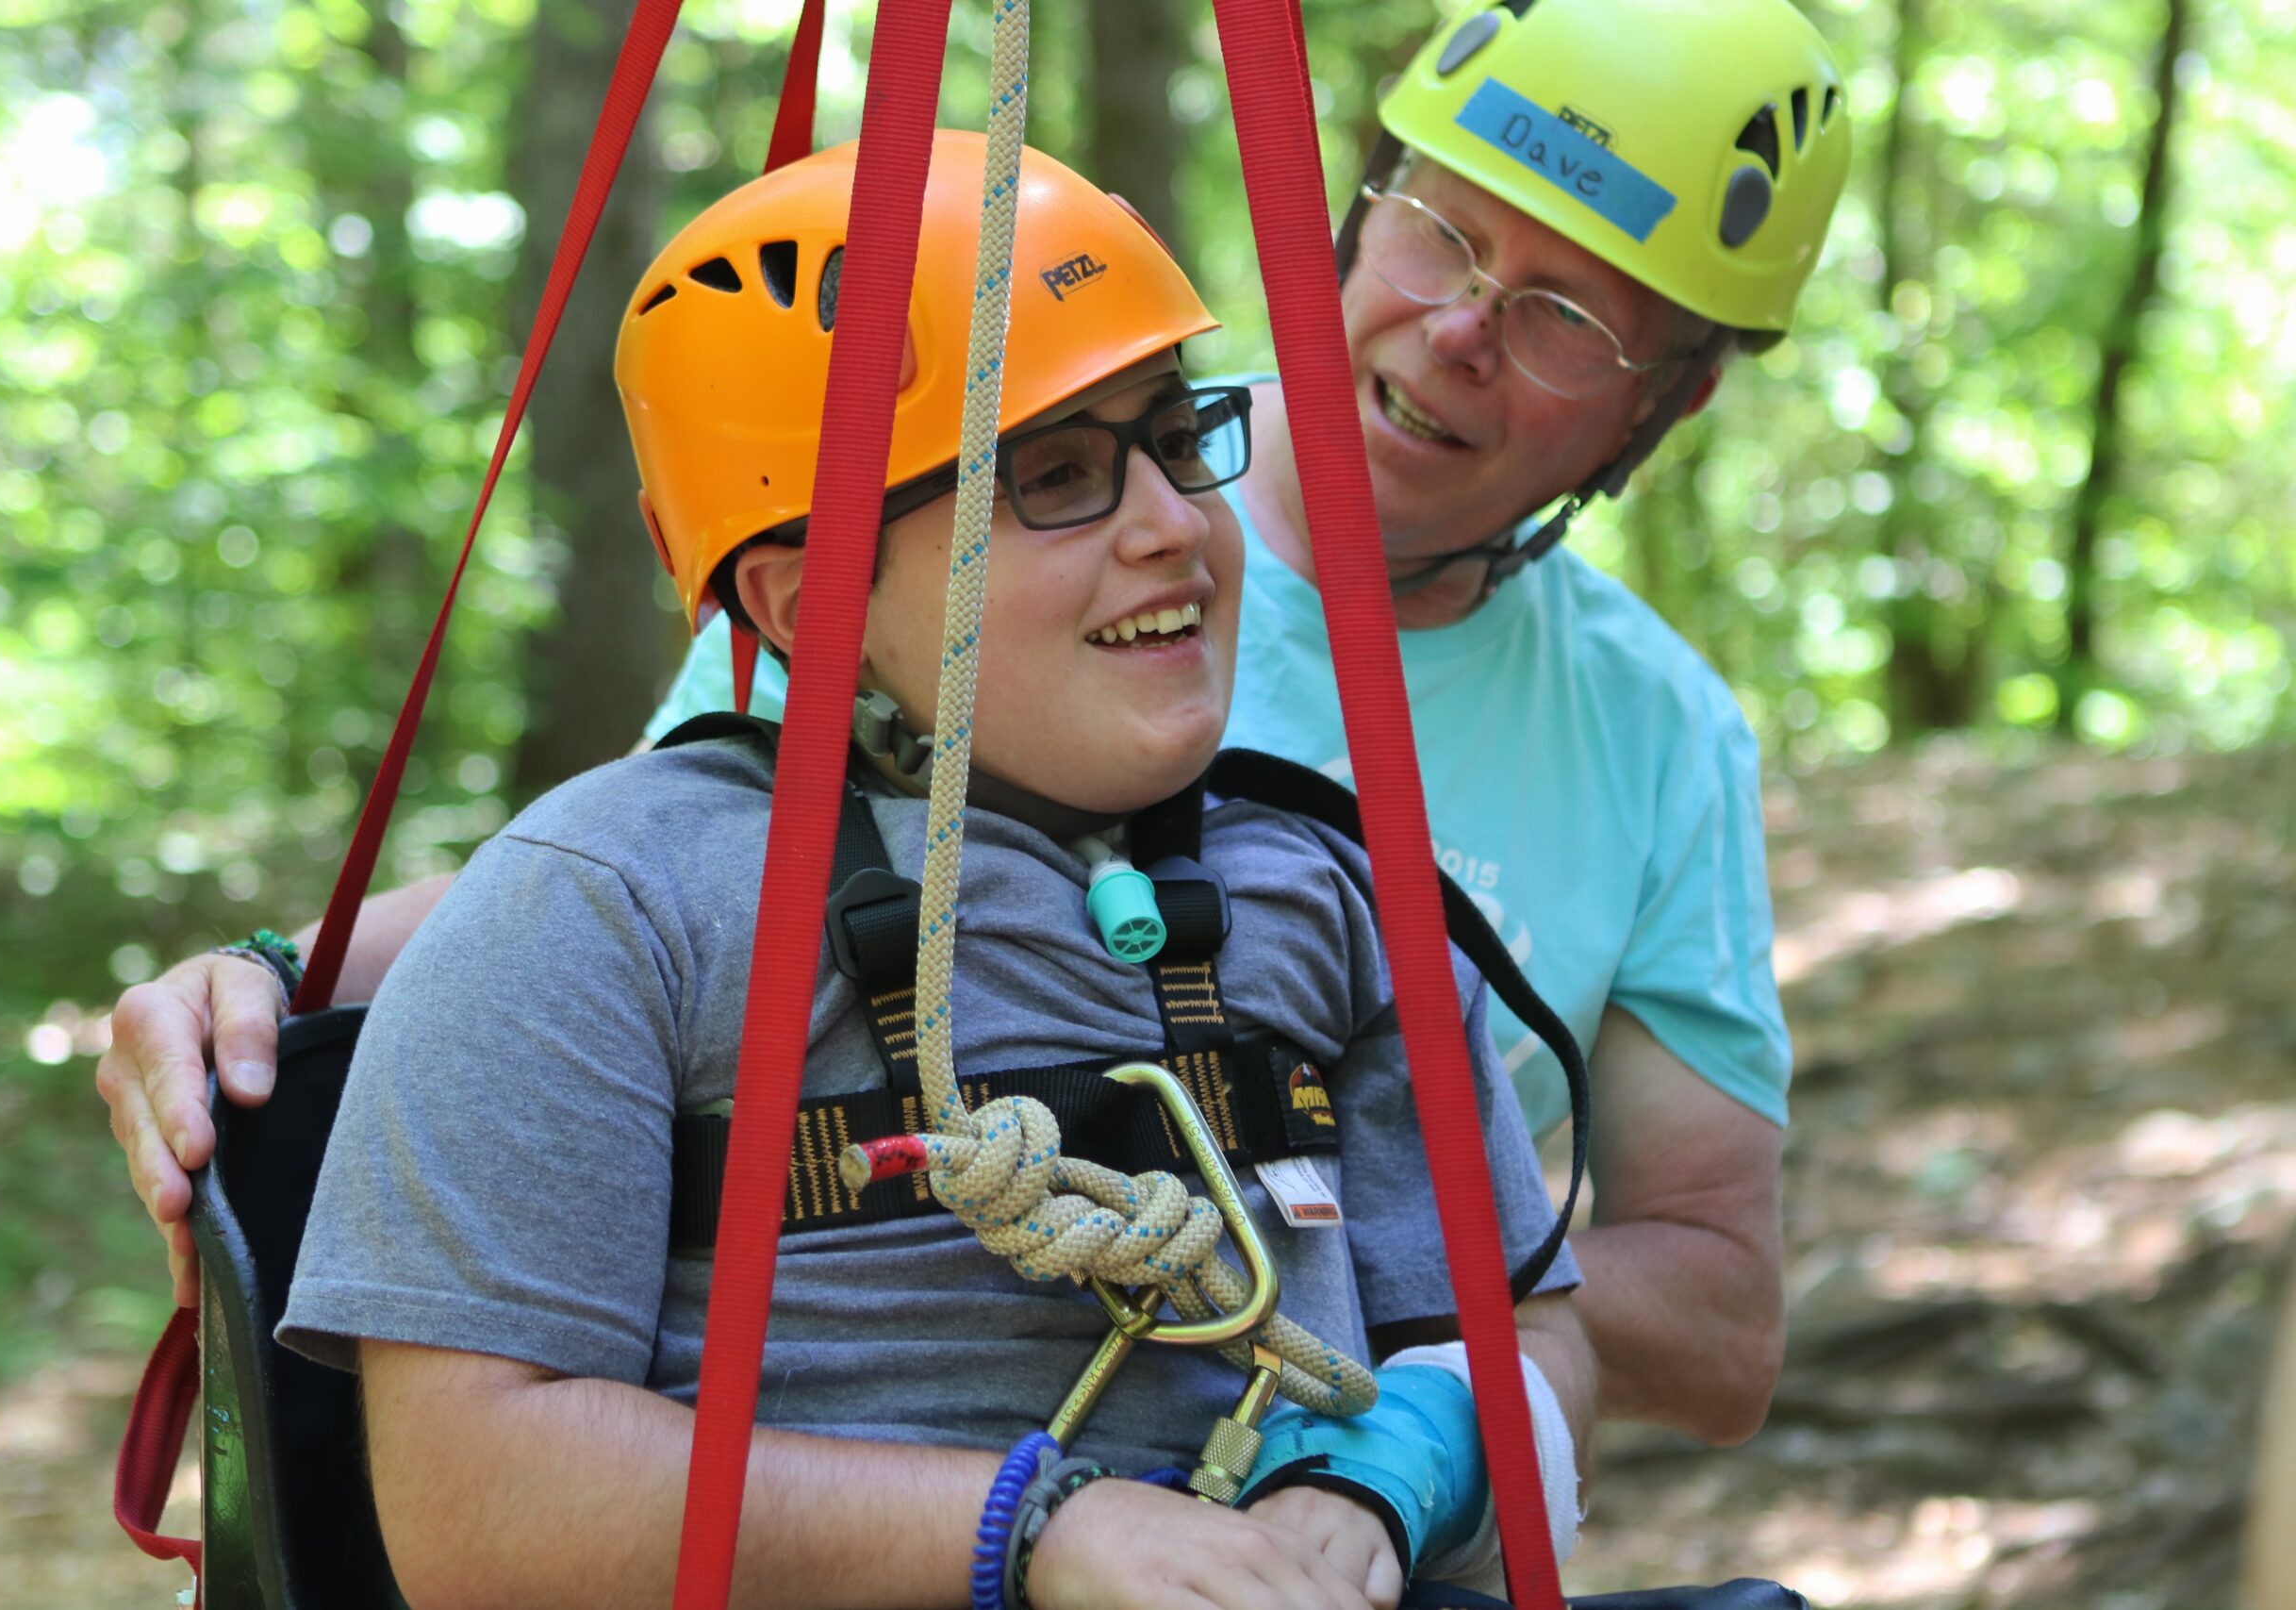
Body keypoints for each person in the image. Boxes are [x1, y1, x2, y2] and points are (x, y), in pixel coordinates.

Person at [99, 0, 1850, 1446]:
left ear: (1671, 402)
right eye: (1446, 231)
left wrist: (1312, 1233)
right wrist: (267, 981)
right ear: (1362, 202)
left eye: (1563, 314)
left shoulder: (1657, 736)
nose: (1462, 326)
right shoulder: (974, 492)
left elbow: (1710, 1307)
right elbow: (663, 878)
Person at [275, 133, 1591, 1610]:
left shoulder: (1334, 893)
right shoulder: (604, 904)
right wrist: (1035, 1533)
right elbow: (476, 1507)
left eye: (1173, 438)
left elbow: (1529, 1341)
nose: (1173, 525)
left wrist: (1386, 1473)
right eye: (1056, 477)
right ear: (807, 600)